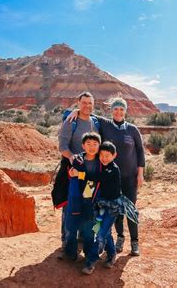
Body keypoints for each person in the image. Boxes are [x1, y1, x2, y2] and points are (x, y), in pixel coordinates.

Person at [66, 97, 145, 256]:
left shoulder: (133, 130)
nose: (118, 112)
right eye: (115, 109)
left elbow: (140, 151)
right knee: (115, 210)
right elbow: (88, 111)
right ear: (111, 111)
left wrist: (140, 174)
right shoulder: (106, 124)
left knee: (130, 209)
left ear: (125, 111)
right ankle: (120, 238)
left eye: (121, 109)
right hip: (110, 179)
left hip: (130, 178)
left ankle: (135, 242)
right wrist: (76, 110)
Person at [51, 92, 99, 249]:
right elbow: (62, 146)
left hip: (89, 173)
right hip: (72, 172)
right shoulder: (71, 121)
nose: (87, 106)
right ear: (78, 104)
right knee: (70, 204)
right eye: (84, 103)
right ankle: (66, 239)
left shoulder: (96, 122)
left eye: (90, 103)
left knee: (87, 203)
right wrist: (73, 158)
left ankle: (82, 237)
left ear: (93, 104)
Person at [59, 132, 101, 261]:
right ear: (83, 145)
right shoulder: (77, 159)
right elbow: (73, 174)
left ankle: (89, 255)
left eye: (95, 144)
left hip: (91, 200)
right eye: (88, 144)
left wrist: (81, 175)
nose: (92, 147)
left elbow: (95, 179)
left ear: (99, 146)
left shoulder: (101, 162)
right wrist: (81, 176)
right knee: (71, 228)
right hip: (75, 198)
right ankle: (70, 253)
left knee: (89, 230)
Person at [81, 141, 122, 275]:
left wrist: (79, 174)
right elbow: (92, 181)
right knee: (105, 232)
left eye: (107, 155)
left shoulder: (113, 169)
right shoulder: (101, 167)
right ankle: (112, 254)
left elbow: (94, 178)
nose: (104, 158)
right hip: (101, 206)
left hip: (113, 208)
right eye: (102, 155)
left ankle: (90, 263)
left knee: (99, 235)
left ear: (114, 155)